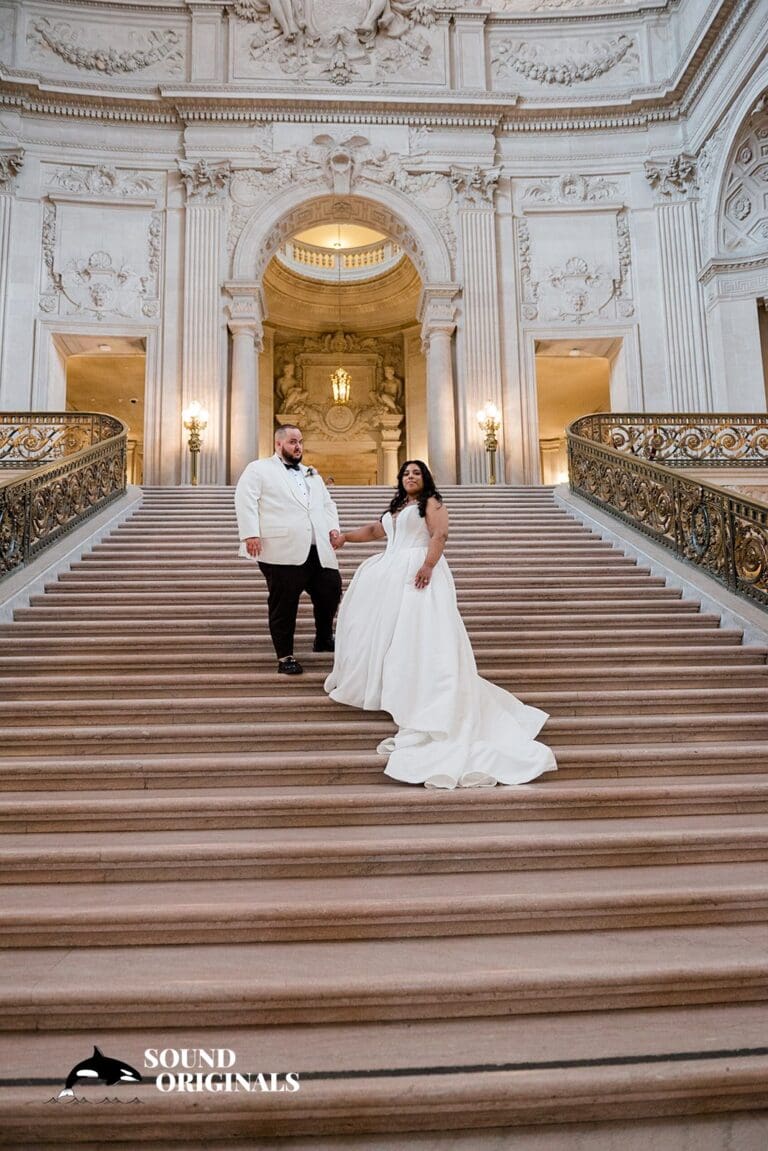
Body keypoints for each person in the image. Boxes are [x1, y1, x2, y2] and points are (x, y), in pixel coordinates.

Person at [325, 460, 557, 788]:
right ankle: (379, 683)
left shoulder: (431, 503)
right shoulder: (397, 508)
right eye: (406, 473)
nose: (410, 477)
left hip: (417, 572)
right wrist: (345, 537)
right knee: (381, 632)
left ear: (425, 478)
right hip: (388, 572)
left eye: (416, 473)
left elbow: (440, 533)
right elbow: (376, 531)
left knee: (417, 633)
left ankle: (423, 688)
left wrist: (428, 565)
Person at [235, 425, 342, 676]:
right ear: (278, 444)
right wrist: (251, 533)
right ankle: (285, 656)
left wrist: (333, 529)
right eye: (293, 441)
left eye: (301, 442)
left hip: (317, 548)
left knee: (331, 588)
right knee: (284, 604)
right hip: (280, 548)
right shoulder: (258, 469)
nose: (298, 446)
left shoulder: (311, 473)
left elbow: (328, 504)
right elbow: (245, 498)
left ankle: (324, 638)